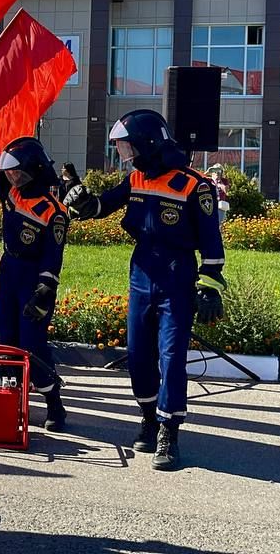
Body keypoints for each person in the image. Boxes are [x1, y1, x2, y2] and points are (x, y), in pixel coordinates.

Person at [68, 109, 225, 472]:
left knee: (171, 357)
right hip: (141, 272)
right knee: (139, 353)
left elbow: (211, 242)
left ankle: (169, 432)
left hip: (176, 276)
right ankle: (148, 417)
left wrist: (211, 286)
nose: (125, 155)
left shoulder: (194, 185)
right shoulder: (137, 178)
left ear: (149, 143)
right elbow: (102, 206)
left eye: (127, 147)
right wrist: (78, 198)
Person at [0, 87, 68, 432]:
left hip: (34, 281)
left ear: (36, 170)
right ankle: (11, 401)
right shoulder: (11, 194)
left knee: (32, 344)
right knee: (6, 339)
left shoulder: (53, 212)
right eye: (10, 174)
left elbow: (53, 258)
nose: (12, 177)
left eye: (19, 173)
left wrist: (43, 292)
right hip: (9, 270)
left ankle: (54, 402)